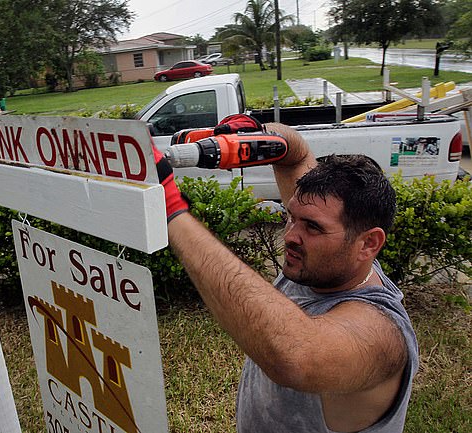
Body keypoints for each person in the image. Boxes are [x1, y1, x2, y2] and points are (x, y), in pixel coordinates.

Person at [154, 121, 419, 433]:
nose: (290, 236)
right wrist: (259, 134)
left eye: (313, 227)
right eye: (291, 217)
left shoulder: (382, 333)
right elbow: (294, 155)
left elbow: (294, 357)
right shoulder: (325, 260)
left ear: (368, 243)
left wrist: (172, 210)